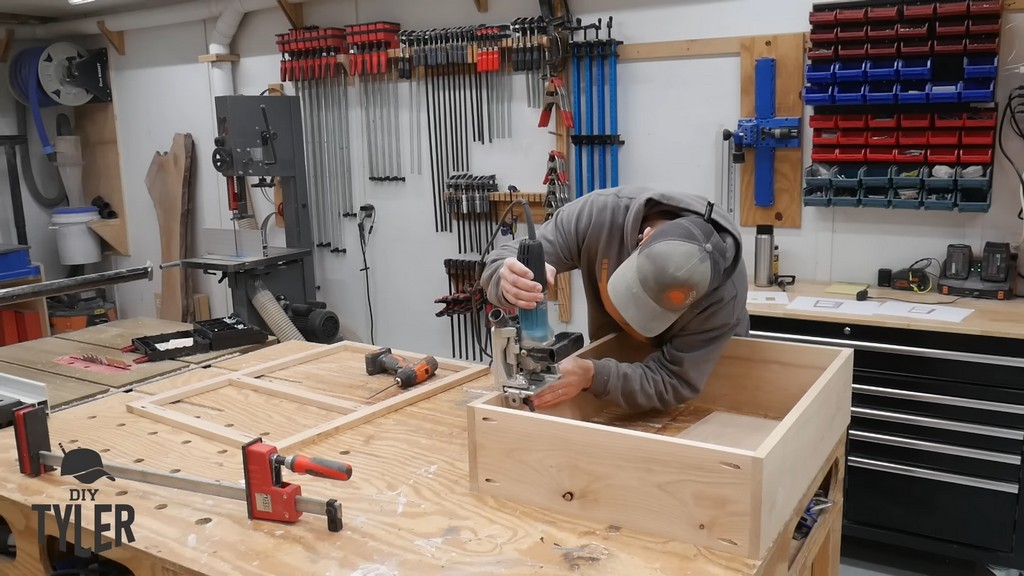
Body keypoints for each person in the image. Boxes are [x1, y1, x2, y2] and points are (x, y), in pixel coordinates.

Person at [481, 186, 749, 413]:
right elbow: (502, 258)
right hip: (611, 377)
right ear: (645, 238)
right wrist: (507, 280)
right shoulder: (598, 216)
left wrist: (595, 376)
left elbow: (674, 379)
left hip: (700, 396)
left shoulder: (725, 295)